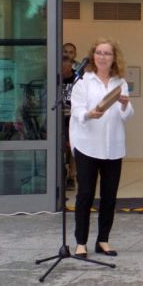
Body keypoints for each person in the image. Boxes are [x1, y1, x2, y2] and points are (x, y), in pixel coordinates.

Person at [69, 38, 133, 259]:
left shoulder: (120, 82)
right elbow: (76, 110)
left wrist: (125, 104)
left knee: (109, 196)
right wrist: (89, 114)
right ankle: (80, 242)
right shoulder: (83, 81)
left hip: (113, 147)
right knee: (85, 195)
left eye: (107, 53)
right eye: (99, 53)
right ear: (92, 56)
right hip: (87, 145)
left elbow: (127, 115)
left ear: (114, 57)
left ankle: (103, 240)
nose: (102, 57)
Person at [61, 53, 76, 188]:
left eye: (66, 69)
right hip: (59, 120)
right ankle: (61, 173)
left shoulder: (78, 79)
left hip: (73, 119)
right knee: (60, 147)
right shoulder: (55, 78)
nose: (63, 72)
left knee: (72, 148)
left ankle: (72, 176)